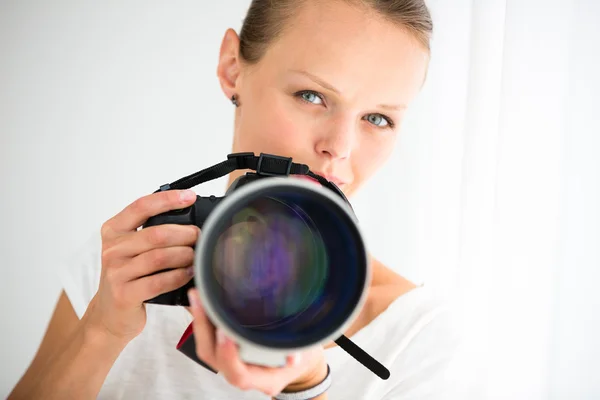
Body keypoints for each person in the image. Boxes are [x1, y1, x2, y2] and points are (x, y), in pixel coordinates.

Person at [8, 0, 471, 399]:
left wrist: (306, 385)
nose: (340, 146)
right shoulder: (134, 256)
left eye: (378, 118)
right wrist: (102, 331)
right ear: (233, 68)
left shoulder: (415, 340)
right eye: (311, 95)